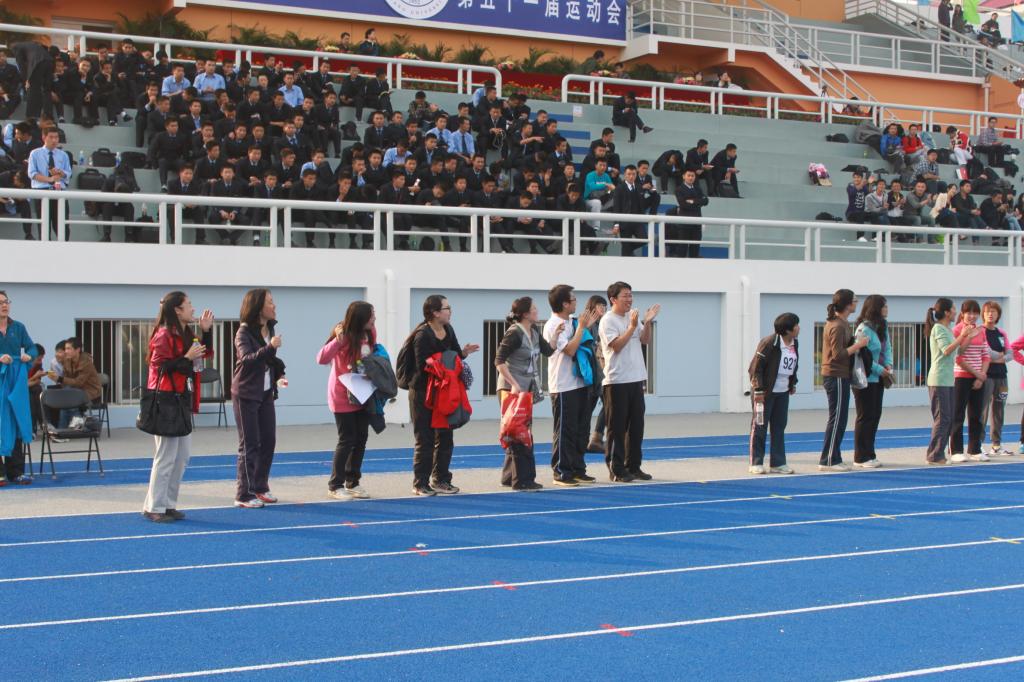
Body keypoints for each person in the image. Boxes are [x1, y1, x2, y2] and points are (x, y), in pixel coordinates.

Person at [142, 292, 215, 522]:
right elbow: (160, 366)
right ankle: (154, 507)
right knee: (166, 456)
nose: (193, 308)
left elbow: (203, 354)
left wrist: (206, 331)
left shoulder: (186, 333)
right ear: (177, 310)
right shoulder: (164, 334)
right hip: (165, 399)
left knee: (182, 456)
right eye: (189, 304)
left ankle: (167, 504)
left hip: (181, 398)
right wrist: (186, 357)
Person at [407, 295, 479, 496]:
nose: (450, 311)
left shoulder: (448, 329)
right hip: (423, 393)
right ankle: (420, 483)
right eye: (447, 308)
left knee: (446, 437)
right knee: (425, 439)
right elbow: (422, 366)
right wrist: (442, 366)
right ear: (435, 313)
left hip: (444, 392)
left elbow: (453, 356)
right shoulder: (423, 335)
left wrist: (463, 353)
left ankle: (441, 479)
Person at [232, 289, 287, 508]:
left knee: (268, 440)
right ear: (258, 306)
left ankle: (260, 487)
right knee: (250, 444)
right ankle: (243, 494)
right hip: (246, 393)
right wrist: (270, 347)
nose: (274, 306)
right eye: (270, 302)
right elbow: (247, 360)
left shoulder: (270, 328)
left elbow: (268, 360)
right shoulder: (243, 332)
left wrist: (279, 374)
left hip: (265, 393)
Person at [600, 282, 659, 482]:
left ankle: (633, 466)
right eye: (625, 295)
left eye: (630, 295)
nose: (629, 299)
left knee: (636, 427)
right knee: (617, 428)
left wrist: (647, 322)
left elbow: (645, 340)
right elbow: (616, 346)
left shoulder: (630, 317)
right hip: (617, 381)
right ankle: (616, 469)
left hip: (636, 378)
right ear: (613, 299)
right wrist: (632, 326)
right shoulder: (608, 320)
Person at [317, 301, 377, 500]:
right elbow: (321, 358)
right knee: (347, 439)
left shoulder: (370, 332)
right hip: (342, 394)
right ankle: (335, 485)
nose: (374, 318)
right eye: (371, 315)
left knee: (361, 438)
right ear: (360, 318)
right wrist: (337, 340)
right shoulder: (343, 334)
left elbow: (369, 354)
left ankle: (353, 482)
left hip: (362, 393)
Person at [495, 297, 555, 491]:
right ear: (525, 314)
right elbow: (499, 361)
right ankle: (523, 479)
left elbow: (548, 351)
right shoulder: (514, 333)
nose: (537, 311)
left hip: (525, 389)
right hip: (511, 389)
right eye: (534, 308)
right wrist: (514, 384)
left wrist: (556, 336)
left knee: (518, 431)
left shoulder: (534, 331)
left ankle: (509, 476)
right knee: (519, 433)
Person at [544, 285, 601, 487]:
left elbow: (584, 342)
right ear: (565, 304)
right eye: (574, 299)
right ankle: (561, 471)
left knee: (580, 430)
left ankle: (577, 468)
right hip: (563, 386)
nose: (577, 303)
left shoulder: (571, 322)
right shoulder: (553, 324)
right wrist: (581, 328)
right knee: (565, 431)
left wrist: (585, 327)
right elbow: (569, 350)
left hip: (579, 383)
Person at [820, 289, 868, 471]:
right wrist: (859, 345)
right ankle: (828, 460)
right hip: (835, 375)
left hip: (842, 375)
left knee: (840, 418)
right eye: (855, 300)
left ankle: (834, 456)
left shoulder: (843, 323)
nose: (857, 303)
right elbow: (837, 355)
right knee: (837, 418)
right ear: (848, 304)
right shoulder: (837, 325)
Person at [747, 312, 799, 475]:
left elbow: (793, 364)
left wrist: (792, 382)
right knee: (760, 426)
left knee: (779, 427)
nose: (799, 328)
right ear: (788, 329)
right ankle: (756, 462)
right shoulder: (769, 343)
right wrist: (759, 390)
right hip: (764, 393)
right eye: (796, 325)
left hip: (782, 392)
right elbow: (755, 369)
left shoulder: (794, 343)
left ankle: (778, 463)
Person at [925, 298, 972, 464]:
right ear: (946, 312)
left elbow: (958, 351)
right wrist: (962, 336)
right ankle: (934, 455)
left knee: (948, 418)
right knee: (943, 418)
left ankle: (938, 453)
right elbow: (946, 350)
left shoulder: (948, 329)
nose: (955, 312)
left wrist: (968, 337)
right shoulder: (938, 328)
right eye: (953, 309)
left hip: (947, 379)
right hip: (939, 379)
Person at [0, 290, 38, 485]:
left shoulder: (18, 327)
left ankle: (16, 472)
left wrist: (28, 356)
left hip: (14, 379)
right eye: (0, 303)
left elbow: (32, 348)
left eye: (6, 301)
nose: (4, 305)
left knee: (14, 420)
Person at [851, 295, 892, 469]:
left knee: (875, 415)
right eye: (884, 306)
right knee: (865, 416)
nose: (887, 309)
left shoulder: (883, 326)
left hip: (879, 378)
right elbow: (862, 356)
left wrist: (889, 365)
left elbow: (887, 348)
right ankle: (860, 456)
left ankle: (870, 453)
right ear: (876, 308)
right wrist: (879, 369)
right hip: (865, 378)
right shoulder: (863, 329)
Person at [950, 300, 990, 463]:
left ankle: (975, 449)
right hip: (961, 377)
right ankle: (956, 450)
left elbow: (985, 355)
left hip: (978, 377)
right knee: (958, 414)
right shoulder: (957, 330)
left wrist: (981, 375)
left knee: (976, 415)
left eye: (975, 313)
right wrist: (967, 336)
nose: (972, 316)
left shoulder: (981, 330)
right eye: (969, 313)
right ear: (962, 314)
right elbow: (958, 355)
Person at [979, 301, 1012, 457]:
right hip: (987, 376)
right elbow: (986, 352)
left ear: (998, 314)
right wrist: (999, 356)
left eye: (993, 311)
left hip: (1002, 376)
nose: (990, 314)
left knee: (999, 410)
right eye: (987, 312)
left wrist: (1000, 358)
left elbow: (1010, 354)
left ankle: (996, 444)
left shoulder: (1001, 333)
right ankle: (977, 444)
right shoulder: (980, 331)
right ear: (983, 314)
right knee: (982, 410)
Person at [27, 127, 72, 241]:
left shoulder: (63, 155)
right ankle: (45, 248)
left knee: (63, 226)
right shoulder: (35, 153)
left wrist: (60, 173)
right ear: (44, 137)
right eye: (51, 137)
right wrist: (50, 179)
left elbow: (68, 173)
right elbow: (32, 173)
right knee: (44, 226)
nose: (54, 140)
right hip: (42, 191)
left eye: (56, 137)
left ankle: (63, 248)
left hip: (59, 191)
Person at [12, 40, 54, 120]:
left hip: (37, 62)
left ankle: (31, 116)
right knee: (47, 89)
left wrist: (26, 79)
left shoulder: (16, 47)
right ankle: (48, 115)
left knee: (33, 88)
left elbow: (21, 65)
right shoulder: (30, 44)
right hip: (49, 61)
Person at [671, 168, 707, 258]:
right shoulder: (679, 189)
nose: (691, 178)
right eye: (689, 175)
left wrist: (693, 201)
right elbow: (683, 204)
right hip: (684, 224)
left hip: (697, 222)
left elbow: (706, 201)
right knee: (682, 249)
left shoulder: (698, 189)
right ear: (684, 176)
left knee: (695, 249)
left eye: (692, 176)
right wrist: (698, 202)